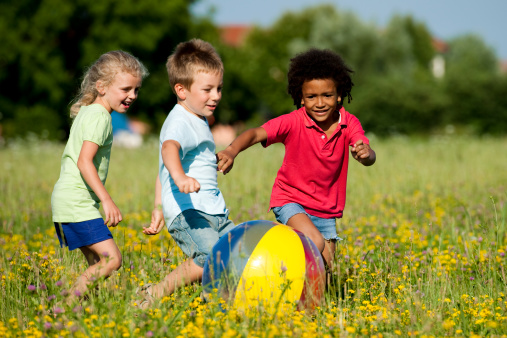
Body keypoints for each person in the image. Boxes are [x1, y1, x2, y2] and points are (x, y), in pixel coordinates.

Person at [216, 48, 376, 268]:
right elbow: (255, 133)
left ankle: (308, 298)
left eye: (327, 95)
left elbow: (367, 153)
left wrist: (365, 154)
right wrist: (231, 150)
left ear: (339, 95)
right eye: (311, 97)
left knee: (326, 271)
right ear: (301, 98)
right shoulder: (292, 122)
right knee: (315, 241)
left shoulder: (349, 123)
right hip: (290, 200)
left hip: (326, 210)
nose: (319, 103)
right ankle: (275, 261)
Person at [138, 39, 235, 309]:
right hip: (190, 211)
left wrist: (157, 206)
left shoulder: (197, 118)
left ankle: (215, 304)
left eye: (219, 88)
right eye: (207, 89)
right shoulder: (180, 120)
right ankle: (156, 292)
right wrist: (181, 178)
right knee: (210, 257)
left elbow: (162, 167)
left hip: (213, 210)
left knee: (237, 250)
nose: (216, 96)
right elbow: (169, 150)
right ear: (181, 90)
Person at [51, 50, 148, 305]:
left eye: (136, 90)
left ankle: (87, 313)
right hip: (77, 202)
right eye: (126, 88)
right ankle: (62, 310)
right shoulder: (100, 117)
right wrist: (107, 200)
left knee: (96, 264)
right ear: (102, 86)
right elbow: (85, 161)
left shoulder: (89, 111)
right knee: (111, 259)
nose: (132, 96)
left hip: (68, 200)